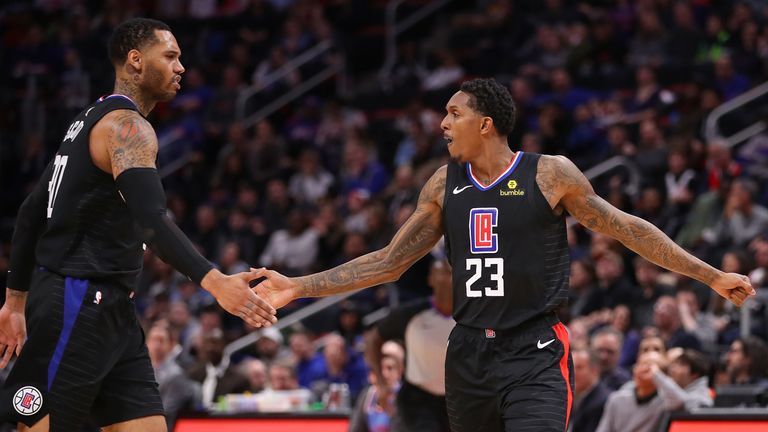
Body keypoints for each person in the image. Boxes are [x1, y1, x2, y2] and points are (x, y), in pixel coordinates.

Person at [254, 78, 754, 432]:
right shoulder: (443, 184)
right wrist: (300, 286)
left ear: (486, 124)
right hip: (468, 353)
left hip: (534, 350)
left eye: (454, 113)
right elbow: (389, 261)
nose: (443, 123)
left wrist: (709, 275)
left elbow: (627, 229)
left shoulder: (549, 174)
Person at [0, 18, 276, 432]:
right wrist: (214, 280)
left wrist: (14, 302)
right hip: (75, 299)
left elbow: (29, 211)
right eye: (170, 56)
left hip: (113, 310)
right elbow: (151, 220)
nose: (181, 67)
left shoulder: (87, 121)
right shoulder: (127, 128)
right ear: (135, 61)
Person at [364, 259, 455, 432]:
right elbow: (372, 339)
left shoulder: (470, 316)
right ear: (430, 279)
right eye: (442, 272)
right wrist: (382, 384)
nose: (447, 277)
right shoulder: (411, 314)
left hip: (457, 399)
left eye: (451, 273)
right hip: (418, 400)